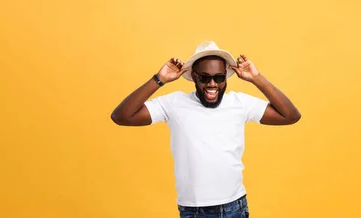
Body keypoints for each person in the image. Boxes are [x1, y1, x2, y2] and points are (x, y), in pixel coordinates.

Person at [111, 41, 301, 218]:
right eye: (205, 78)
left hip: (233, 207)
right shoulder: (174, 103)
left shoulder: (240, 103)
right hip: (191, 209)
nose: (212, 84)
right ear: (194, 76)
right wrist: (159, 79)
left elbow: (290, 116)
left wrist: (257, 79)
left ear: (225, 77)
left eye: (219, 77)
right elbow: (122, 116)